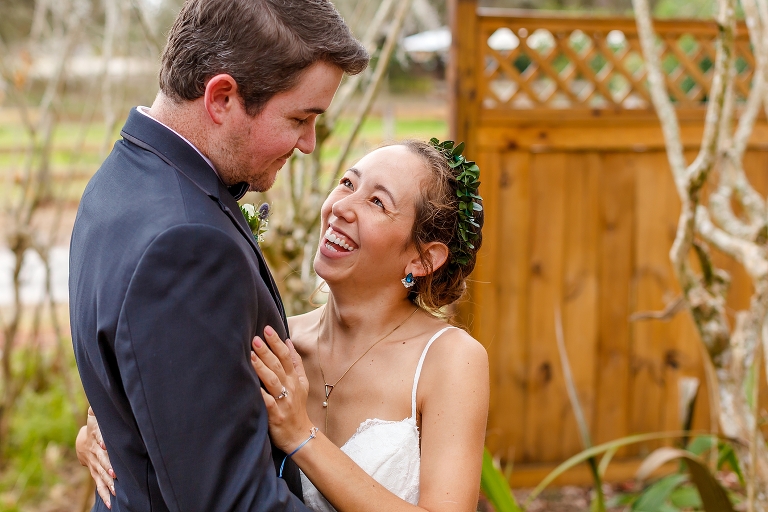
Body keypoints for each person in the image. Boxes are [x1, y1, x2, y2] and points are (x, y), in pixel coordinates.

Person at [79, 139, 490, 512]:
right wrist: (101, 435)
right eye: (348, 183)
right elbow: (174, 417)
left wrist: (302, 437)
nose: (341, 207)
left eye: (378, 203)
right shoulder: (275, 343)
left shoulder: (450, 360)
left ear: (422, 260)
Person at [68, 0, 368, 510]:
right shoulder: (185, 243)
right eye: (300, 118)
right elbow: (230, 500)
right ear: (223, 97)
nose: (309, 144)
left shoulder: (120, 180)